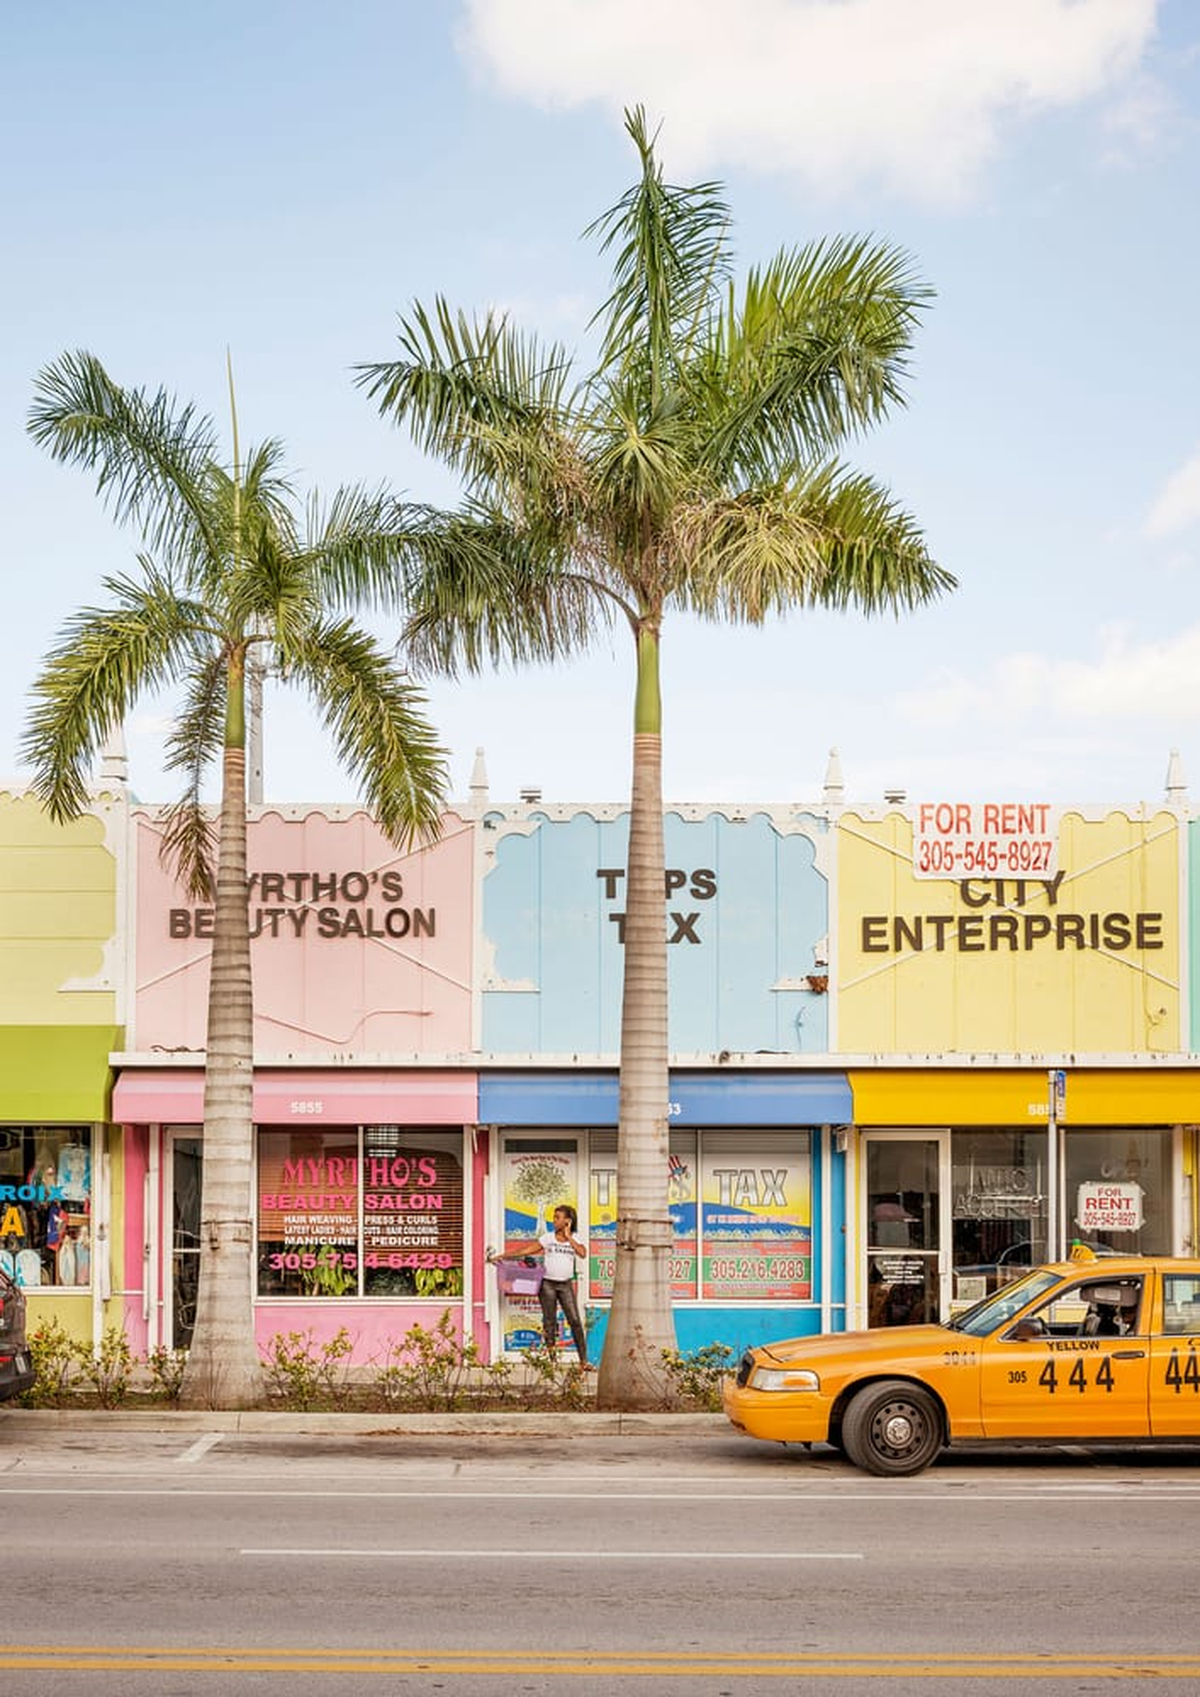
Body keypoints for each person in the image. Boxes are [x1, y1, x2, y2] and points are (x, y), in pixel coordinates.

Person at [493, 1204, 593, 1369]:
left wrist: (569, 1238)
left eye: (557, 1217)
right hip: (547, 1284)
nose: (554, 1220)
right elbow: (527, 1250)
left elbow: (582, 1253)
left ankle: (583, 1361)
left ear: (568, 1221)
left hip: (565, 1285)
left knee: (575, 1320)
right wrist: (504, 1255)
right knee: (549, 1321)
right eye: (553, 1217)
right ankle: (552, 1361)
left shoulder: (576, 1238)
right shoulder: (548, 1238)